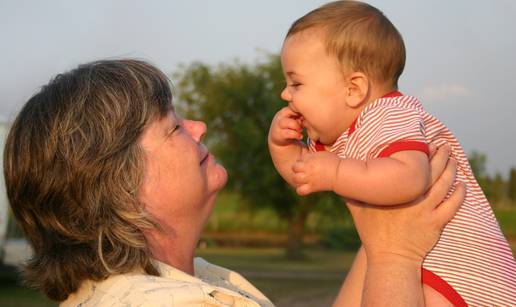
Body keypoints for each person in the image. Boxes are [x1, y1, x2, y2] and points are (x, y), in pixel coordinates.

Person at [4, 59, 464, 307]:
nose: (199, 126)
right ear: (122, 186)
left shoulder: (188, 281)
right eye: (173, 126)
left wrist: (380, 228)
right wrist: (395, 258)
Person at [268, 1, 516, 306]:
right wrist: (282, 146)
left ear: (354, 89)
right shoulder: (346, 135)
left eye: (296, 83)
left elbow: (409, 178)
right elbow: (303, 175)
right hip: (429, 260)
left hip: (465, 271)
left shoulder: (389, 115)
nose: (285, 94)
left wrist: (334, 173)